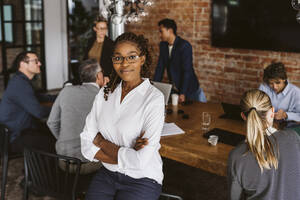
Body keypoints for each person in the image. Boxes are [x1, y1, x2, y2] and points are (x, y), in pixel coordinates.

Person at [80, 32, 164, 200]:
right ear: (113, 61)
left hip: (142, 179)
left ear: (142, 59)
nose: (124, 64)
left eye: (131, 57)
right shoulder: (105, 92)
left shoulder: (154, 98)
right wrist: (128, 153)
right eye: (118, 58)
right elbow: (86, 144)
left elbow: (140, 162)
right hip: (108, 175)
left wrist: (101, 142)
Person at [227, 89, 300, 200]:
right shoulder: (293, 138)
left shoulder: (236, 156)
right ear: (272, 112)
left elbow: (234, 197)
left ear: (243, 116)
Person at [47, 59, 105, 174]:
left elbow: (51, 122)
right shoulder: (103, 96)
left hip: (64, 161)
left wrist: (66, 140)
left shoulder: (66, 91)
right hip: (90, 163)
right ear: (99, 76)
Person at [0, 51, 55, 153]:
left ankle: (38, 167)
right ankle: (41, 168)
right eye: (36, 61)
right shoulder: (20, 84)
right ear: (23, 64)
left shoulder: (20, 80)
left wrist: (60, 97)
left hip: (21, 130)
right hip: (15, 136)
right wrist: (60, 107)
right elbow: (39, 112)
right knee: (51, 142)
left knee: (52, 131)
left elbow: (40, 97)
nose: (40, 64)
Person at [153, 18, 206, 103]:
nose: (159, 35)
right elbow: (160, 68)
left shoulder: (184, 45)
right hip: (175, 89)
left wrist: (183, 93)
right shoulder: (163, 45)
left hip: (190, 89)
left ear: (170, 30)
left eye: (161, 31)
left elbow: (187, 71)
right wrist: (153, 87)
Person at [84, 15, 114, 85]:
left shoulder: (111, 44)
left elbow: (112, 63)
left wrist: (107, 76)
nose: (103, 31)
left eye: (104, 28)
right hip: (89, 76)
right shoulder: (90, 41)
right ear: (95, 29)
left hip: (104, 78)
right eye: (100, 28)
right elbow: (85, 59)